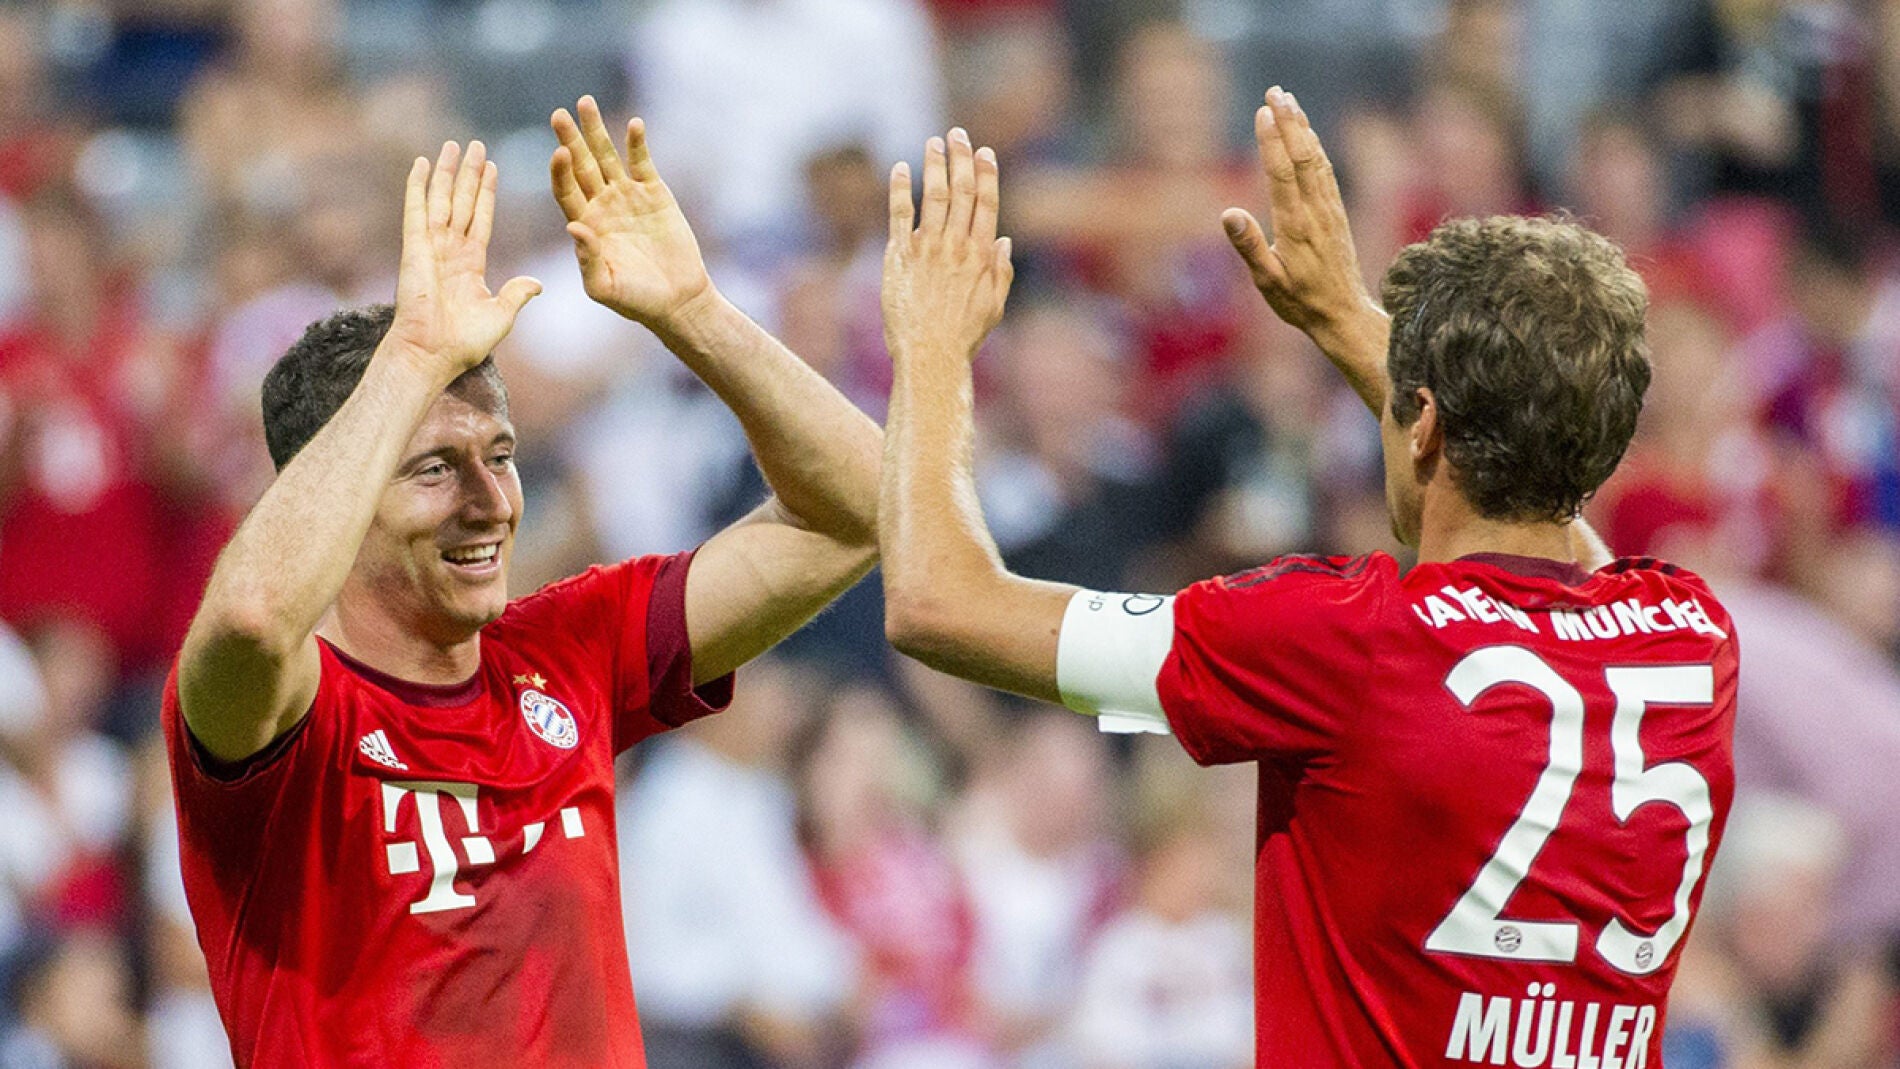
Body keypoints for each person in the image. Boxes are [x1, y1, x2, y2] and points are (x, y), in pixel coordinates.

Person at [877, 88, 1738, 1066]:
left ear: (1421, 422)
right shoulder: (1689, 637)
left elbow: (936, 601)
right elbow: (1549, 511)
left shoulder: (1345, 637)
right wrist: (1349, 322)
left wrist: (934, 352)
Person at [163, 96, 881, 1067]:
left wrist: (694, 315)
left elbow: (856, 511)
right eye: (432, 467)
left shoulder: (570, 651)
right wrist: (411, 356)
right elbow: (252, 616)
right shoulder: (285, 715)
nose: (491, 500)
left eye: (499, 453)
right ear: (329, 493)